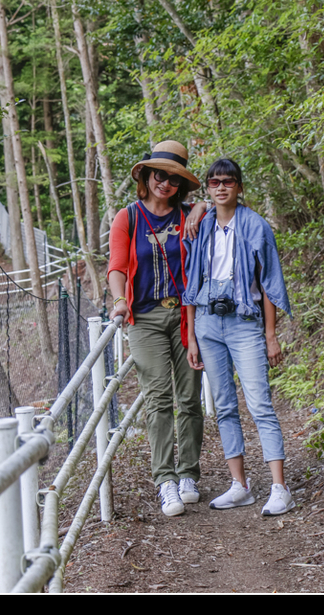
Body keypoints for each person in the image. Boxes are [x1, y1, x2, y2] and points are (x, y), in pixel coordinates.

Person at [183, 157, 296, 517]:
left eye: (227, 181)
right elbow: (191, 283)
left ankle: (280, 488)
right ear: (208, 188)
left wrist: (271, 334)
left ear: (239, 187)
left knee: (259, 402)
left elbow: (269, 282)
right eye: (214, 182)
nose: (220, 187)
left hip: (244, 323)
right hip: (207, 324)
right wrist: (193, 337)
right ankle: (240, 486)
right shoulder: (202, 227)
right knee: (224, 405)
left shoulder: (256, 227)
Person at [107, 140, 206, 517]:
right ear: (146, 177)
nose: (165, 183)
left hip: (187, 315)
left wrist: (201, 206)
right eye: (159, 175)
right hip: (145, 318)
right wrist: (119, 301)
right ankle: (165, 478)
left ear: (181, 185)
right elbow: (117, 265)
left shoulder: (189, 216)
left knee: (189, 396)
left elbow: (225, 212)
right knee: (158, 397)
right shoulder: (128, 217)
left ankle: (188, 474)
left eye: (173, 178)